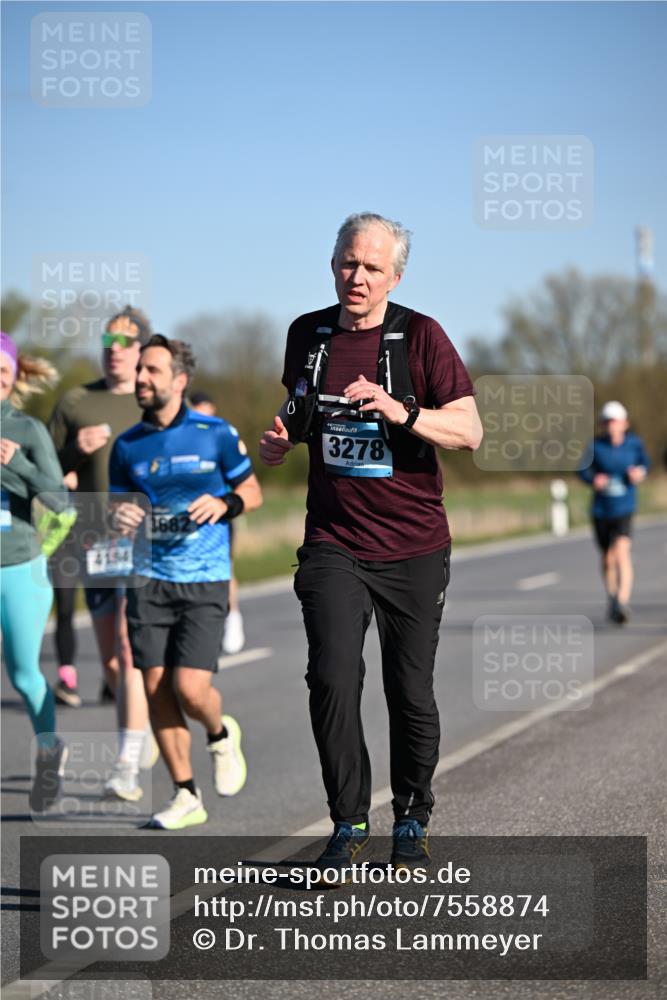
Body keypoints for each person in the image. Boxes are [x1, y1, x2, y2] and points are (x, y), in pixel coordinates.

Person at [259, 213, 482, 877]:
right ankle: (347, 821)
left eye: (371, 268)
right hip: (332, 539)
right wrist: (281, 439)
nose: (355, 278)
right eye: (346, 263)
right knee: (330, 676)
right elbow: (301, 411)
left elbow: (469, 432)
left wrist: (401, 412)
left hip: (412, 544)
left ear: (396, 276)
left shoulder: (420, 336)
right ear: (333, 263)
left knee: (408, 688)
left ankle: (410, 815)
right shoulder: (307, 333)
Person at [110, 335, 263, 829]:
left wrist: (225, 505)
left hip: (204, 578)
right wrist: (122, 514)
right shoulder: (127, 445)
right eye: (138, 371)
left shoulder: (215, 432)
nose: (140, 379)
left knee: (190, 689)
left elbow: (251, 490)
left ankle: (220, 734)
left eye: (151, 370)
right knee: (155, 686)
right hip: (147, 578)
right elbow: (116, 505)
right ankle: (185, 794)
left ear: (179, 380)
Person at [48, 305, 157, 800]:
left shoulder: (151, 401)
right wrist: (74, 451)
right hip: (90, 542)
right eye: (107, 343)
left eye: (124, 344)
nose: (114, 353)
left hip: (142, 544)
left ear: (141, 350)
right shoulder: (75, 402)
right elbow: (44, 474)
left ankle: (126, 764)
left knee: (130, 653)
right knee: (112, 663)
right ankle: (145, 722)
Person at [0, 332, 71, 811]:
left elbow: (61, 498)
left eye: (2, 373)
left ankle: (49, 752)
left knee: (24, 675)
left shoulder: (27, 430)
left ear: (13, 378)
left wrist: (19, 464)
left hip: (19, 566)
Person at [578, 401, 650, 624]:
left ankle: (622, 602)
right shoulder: (595, 446)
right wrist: (593, 479)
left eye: (616, 421)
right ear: (602, 424)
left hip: (625, 507)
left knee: (622, 551)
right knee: (608, 558)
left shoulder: (634, 444)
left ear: (624, 423)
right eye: (608, 422)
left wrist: (639, 473)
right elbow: (582, 470)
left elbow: (645, 464)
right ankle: (612, 596)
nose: (612, 426)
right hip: (601, 509)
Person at [189, 390, 246, 655]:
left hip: (219, 514)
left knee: (226, 568)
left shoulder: (222, 435)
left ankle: (232, 616)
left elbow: (242, 472)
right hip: (186, 516)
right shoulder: (181, 436)